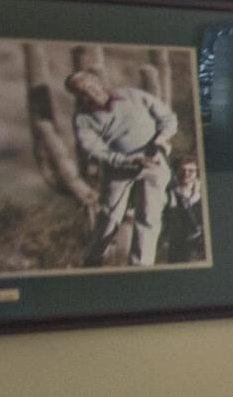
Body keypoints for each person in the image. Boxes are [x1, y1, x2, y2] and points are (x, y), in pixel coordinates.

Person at [65, 68, 180, 266]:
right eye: (82, 92)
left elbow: (168, 118)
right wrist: (126, 160)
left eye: (90, 86)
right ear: (78, 96)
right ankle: (93, 261)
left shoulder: (133, 95)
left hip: (154, 161)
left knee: (148, 216)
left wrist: (161, 139)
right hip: (118, 169)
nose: (90, 93)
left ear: (98, 82)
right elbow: (93, 149)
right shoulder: (83, 118)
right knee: (109, 217)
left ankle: (141, 266)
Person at [157, 154, 209, 264]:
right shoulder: (169, 193)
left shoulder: (204, 191)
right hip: (178, 243)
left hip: (202, 244)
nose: (186, 174)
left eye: (191, 171)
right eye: (182, 170)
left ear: (197, 172)